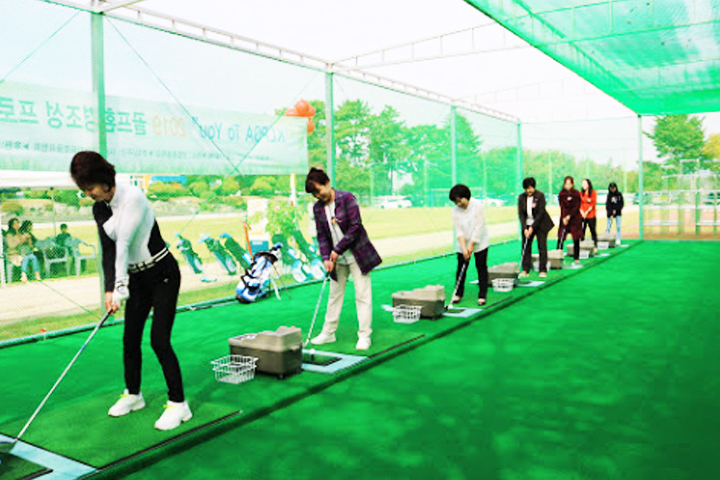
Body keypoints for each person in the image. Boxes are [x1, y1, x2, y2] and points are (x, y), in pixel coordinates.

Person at [70, 151, 191, 431]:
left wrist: (119, 287)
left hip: (162, 274)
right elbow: (109, 249)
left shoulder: (133, 196)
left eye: (90, 187)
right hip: (137, 278)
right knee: (130, 339)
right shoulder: (100, 207)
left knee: (159, 340)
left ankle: (178, 403)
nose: (87, 193)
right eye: (83, 189)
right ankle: (134, 394)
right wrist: (109, 289)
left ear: (104, 181)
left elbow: (123, 241)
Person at [304, 167, 381, 351]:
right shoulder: (317, 208)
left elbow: (355, 227)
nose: (317, 196)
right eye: (314, 194)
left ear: (327, 183)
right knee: (334, 295)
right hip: (336, 259)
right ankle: (328, 333)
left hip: (357, 255)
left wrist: (337, 250)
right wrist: (325, 257)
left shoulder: (347, 198)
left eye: (318, 191)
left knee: (362, 295)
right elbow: (322, 236)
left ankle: (364, 336)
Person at [449, 184, 489, 306]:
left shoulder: (477, 206)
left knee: (481, 267)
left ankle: (482, 294)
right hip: (463, 243)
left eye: (460, 200)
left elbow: (479, 227)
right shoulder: (455, 211)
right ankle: (458, 293)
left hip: (480, 242)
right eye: (455, 202)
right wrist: (463, 248)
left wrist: (471, 245)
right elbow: (459, 231)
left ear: (466, 197)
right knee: (461, 268)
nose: (458, 204)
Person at [517, 177, 554, 278]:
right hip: (527, 224)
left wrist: (532, 227)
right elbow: (521, 214)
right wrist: (525, 228)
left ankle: (543, 270)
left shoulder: (540, 196)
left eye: (530, 188)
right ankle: (525, 269)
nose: (528, 190)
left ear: (533, 187)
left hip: (540, 224)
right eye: (526, 188)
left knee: (542, 247)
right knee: (526, 247)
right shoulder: (521, 197)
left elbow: (540, 214)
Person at [558, 176, 583, 265]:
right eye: (566, 184)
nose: (568, 186)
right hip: (564, 218)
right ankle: (558, 255)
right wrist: (564, 217)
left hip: (575, 218)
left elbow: (577, 206)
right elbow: (562, 206)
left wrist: (569, 216)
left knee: (576, 238)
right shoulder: (561, 194)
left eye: (569, 184)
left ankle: (576, 257)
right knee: (561, 236)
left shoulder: (576, 193)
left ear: (572, 184)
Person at [580, 178, 598, 252]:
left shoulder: (593, 192)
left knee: (593, 231)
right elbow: (579, 203)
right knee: (582, 231)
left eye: (585, 183)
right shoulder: (580, 193)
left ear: (588, 184)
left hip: (591, 215)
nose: (583, 185)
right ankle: (581, 246)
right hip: (582, 215)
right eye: (582, 184)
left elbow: (593, 203)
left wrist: (587, 212)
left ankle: (595, 246)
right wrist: (582, 212)